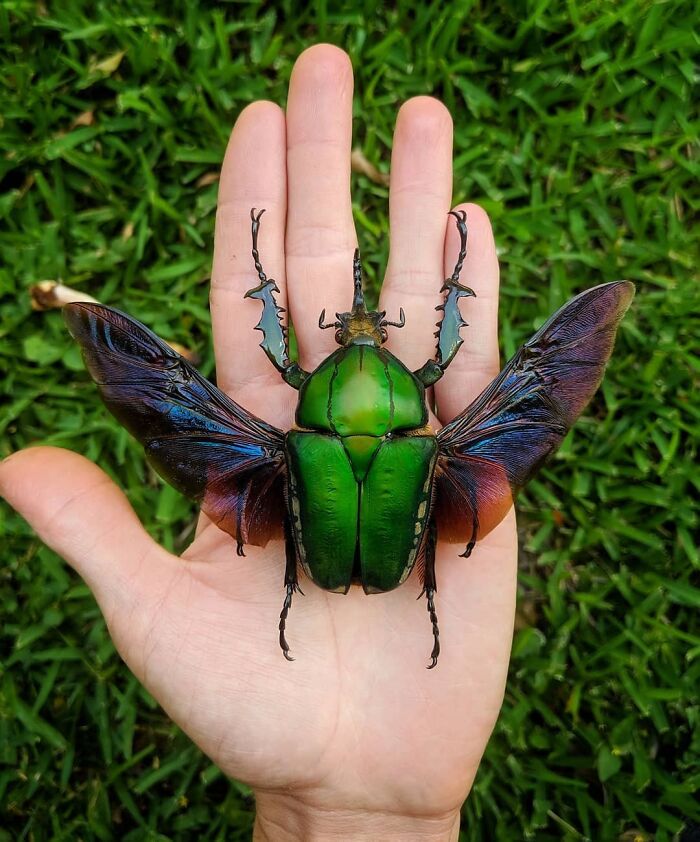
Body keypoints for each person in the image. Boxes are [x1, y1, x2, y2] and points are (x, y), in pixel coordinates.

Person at [0, 45, 516, 840]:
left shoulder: (290, 439)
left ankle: (305, 591)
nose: (360, 333)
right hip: (390, 557)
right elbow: (445, 361)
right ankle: (428, 609)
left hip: (308, 562)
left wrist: (264, 292)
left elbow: (278, 357)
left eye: (357, 335)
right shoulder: (426, 438)